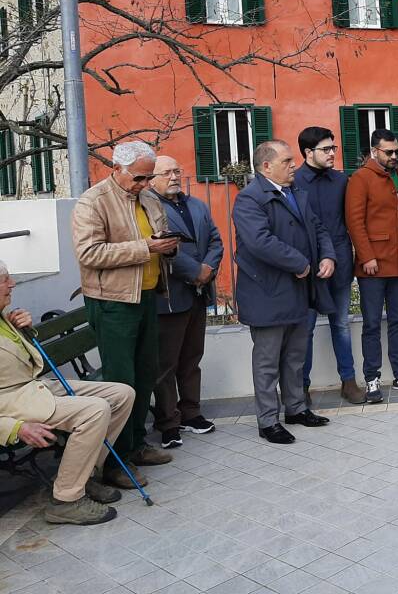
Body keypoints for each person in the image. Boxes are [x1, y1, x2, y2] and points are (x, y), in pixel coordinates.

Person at [72, 141, 177, 487]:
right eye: (139, 178)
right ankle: (115, 463)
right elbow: (89, 253)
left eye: (148, 178)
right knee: (121, 383)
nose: (145, 184)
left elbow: (154, 237)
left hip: (145, 295)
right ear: (116, 168)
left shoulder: (146, 198)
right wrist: (146, 247)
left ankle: (136, 446)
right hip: (113, 302)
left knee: (146, 375)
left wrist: (167, 245)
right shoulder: (93, 201)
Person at [0, 260, 134, 525]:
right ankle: (66, 500)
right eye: (5, 280)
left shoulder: (3, 316)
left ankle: (82, 477)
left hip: (34, 388)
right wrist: (13, 428)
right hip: (12, 402)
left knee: (122, 394)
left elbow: (21, 358)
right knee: (95, 411)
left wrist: (24, 330)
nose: (12, 284)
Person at [232, 140, 336, 444]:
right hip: (268, 292)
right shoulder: (249, 199)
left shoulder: (295, 193)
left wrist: (327, 255)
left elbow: (318, 229)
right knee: (267, 361)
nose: (294, 165)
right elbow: (259, 241)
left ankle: (296, 408)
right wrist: (299, 262)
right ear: (267, 166)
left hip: (298, 290)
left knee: (295, 356)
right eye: (287, 161)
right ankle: (268, 421)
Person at [345, 129, 398, 403]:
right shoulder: (359, 179)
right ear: (374, 151)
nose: (394, 156)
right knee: (371, 324)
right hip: (373, 266)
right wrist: (366, 256)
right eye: (388, 152)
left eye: (396, 152)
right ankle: (372, 378)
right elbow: (354, 222)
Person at [149, 155, 223, 449]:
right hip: (170, 296)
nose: (174, 176)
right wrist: (196, 271)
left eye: (176, 170)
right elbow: (161, 247)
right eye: (166, 172)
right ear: (152, 178)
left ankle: (191, 413)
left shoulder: (196, 204)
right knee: (166, 364)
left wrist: (208, 268)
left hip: (199, 293)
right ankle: (168, 422)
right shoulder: (149, 207)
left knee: (192, 358)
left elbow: (216, 240)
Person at [293, 127, 364, 407]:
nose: (333, 153)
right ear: (308, 152)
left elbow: (352, 219)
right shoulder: (294, 181)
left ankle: (348, 382)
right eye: (326, 149)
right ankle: (302, 386)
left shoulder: (342, 180)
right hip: (308, 268)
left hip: (342, 262)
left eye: (333, 148)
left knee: (341, 324)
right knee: (306, 328)